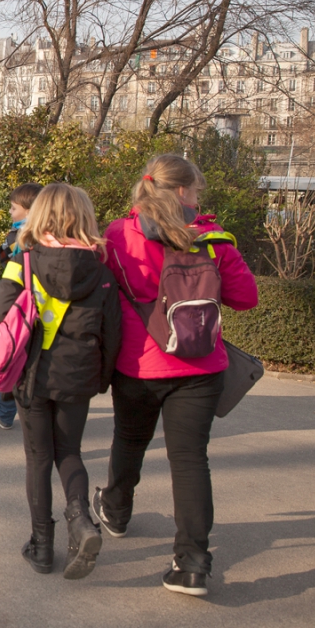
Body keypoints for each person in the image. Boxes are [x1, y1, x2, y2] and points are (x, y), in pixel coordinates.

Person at [94, 154, 258, 598]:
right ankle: (191, 564)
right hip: (202, 367)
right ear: (183, 192)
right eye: (197, 191)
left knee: (129, 441)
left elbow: (100, 291)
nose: (198, 198)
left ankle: (116, 508)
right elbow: (246, 298)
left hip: (139, 365)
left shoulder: (119, 234)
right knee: (190, 461)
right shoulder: (211, 240)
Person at [0, 183, 122, 580]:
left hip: (31, 375)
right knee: (70, 453)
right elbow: (113, 332)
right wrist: (101, 379)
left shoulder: (25, 261)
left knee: (38, 458)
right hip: (78, 377)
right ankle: (81, 521)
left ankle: (41, 546)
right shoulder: (101, 270)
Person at [0, 181, 44, 430]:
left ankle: (5, 410)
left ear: (29, 210)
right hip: (45, 306)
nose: (10, 213)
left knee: (14, 358)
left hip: (19, 306)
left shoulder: (19, 236)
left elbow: (8, 268)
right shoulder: (51, 234)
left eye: (13, 208)